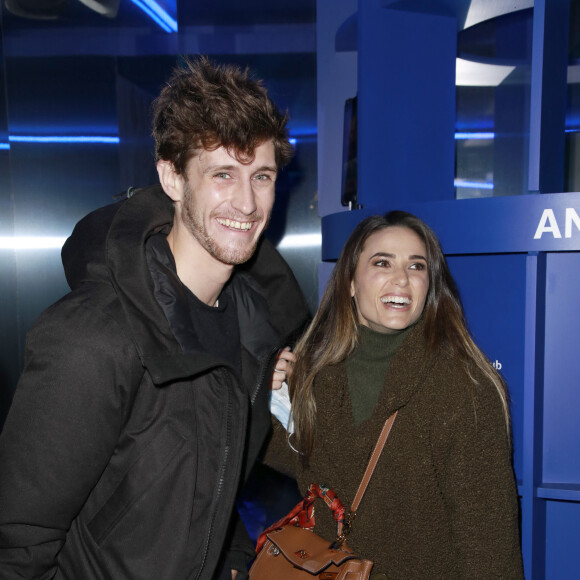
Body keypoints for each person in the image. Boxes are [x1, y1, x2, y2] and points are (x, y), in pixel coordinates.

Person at [0, 57, 309, 579]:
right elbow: (17, 542)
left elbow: (211, 493)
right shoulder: (92, 336)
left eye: (261, 176)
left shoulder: (256, 335)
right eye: (222, 174)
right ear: (171, 177)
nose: (247, 201)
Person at [266, 211, 524, 579]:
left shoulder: (463, 388)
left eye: (416, 267)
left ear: (430, 285)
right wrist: (263, 392)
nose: (402, 279)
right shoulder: (319, 371)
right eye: (382, 263)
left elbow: (489, 546)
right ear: (350, 282)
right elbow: (305, 463)